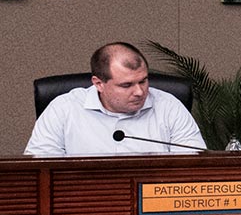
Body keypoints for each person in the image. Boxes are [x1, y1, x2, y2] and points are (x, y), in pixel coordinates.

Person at [25, 42, 206, 155]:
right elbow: (40, 169)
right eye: (126, 85)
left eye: (143, 81)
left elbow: (193, 165)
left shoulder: (169, 107)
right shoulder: (63, 109)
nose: (139, 92)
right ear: (99, 84)